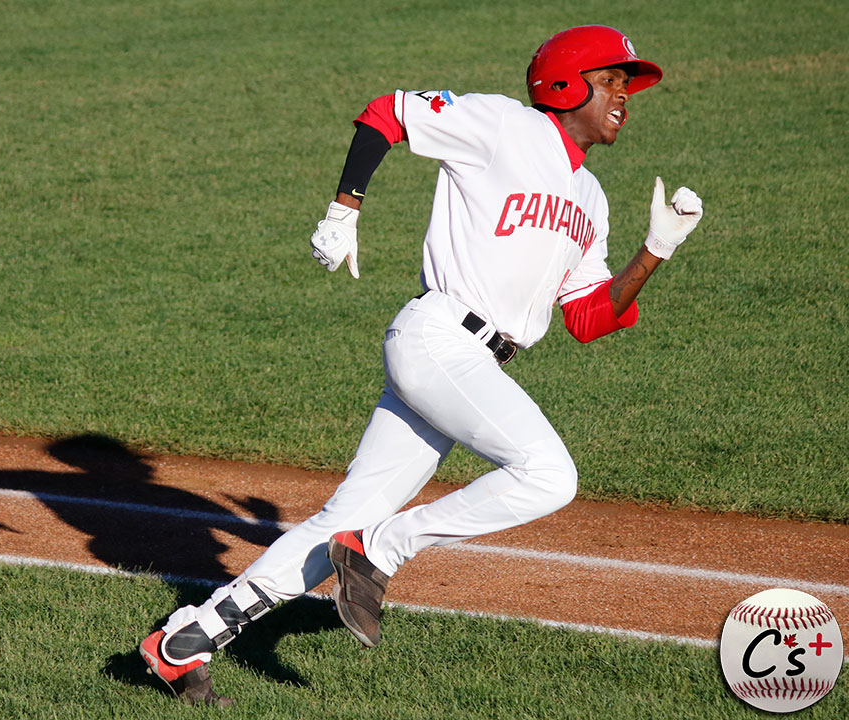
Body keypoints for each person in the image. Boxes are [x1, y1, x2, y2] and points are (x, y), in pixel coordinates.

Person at [139, 24, 703, 706]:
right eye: (611, 81)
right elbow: (389, 112)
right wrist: (344, 209)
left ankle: (185, 641)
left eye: (626, 85)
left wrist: (656, 251)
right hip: (439, 338)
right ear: (564, 83)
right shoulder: (503, 125)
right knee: (550, 475)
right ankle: (385, 548)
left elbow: (588, 317)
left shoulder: (591, 200)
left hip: (469, 363)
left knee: (338, 523)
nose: (623, 96)